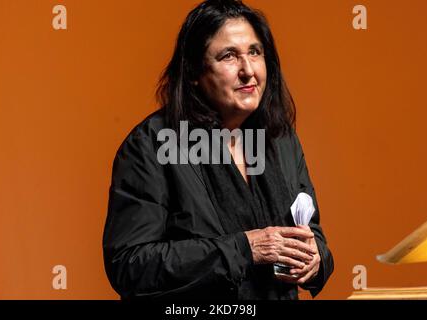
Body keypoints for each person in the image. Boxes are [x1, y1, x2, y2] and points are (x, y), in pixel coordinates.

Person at [103, 0, 334, 300]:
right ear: (195, 72)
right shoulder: (151, 144)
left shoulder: (280, 139)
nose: (248, 71)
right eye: (228, 56)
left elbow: (313, 235)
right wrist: (244, 249)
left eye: (255, 52)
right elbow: (129, 266)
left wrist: (317, 260)